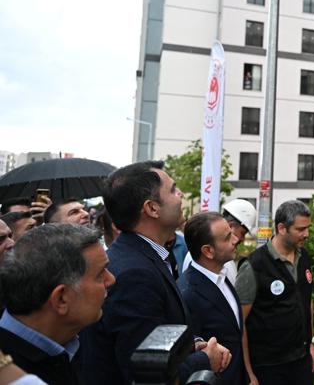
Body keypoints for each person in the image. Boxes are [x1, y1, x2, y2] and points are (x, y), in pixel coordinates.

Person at [80, 161, 230, 385]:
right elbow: (145, 371)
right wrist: (205, 360)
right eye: (173, 189)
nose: (180, 195)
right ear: (152, 208)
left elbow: (156, 334)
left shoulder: (146, 257)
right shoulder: (134, 274)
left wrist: (190, 347)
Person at [0, 224, 115, 385]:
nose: (111, 280)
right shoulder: (10, 375)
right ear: (61, 299)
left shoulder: (67, 342)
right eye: (100, 274)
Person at [235, 200, 314, 385]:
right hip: (268, 367)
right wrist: (248, 372)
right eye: (301, 229)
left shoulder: (304, 257)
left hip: (301, 361)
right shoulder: (254, 266)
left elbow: (307, 301)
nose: (307, 234)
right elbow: (239, 322)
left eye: (308, 228)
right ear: (281, 228)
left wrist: (311, 343)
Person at [180, 213, 245, 385]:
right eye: (227, 237)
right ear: (208, 251)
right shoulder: (188, 294)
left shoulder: (222, 276)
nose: (236, 239)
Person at [183, 198, 257, 285]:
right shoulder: (198, 259)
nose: (241, 239)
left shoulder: (224, 257)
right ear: (230, 226)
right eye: (242, 233)